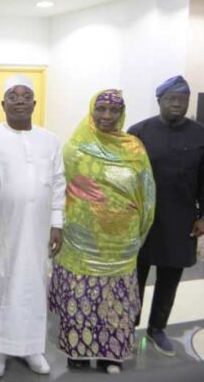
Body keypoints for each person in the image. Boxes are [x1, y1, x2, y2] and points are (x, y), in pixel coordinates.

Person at [49, 89, 155, 375]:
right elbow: (60, 190)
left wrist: (139, 231)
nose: (107, 116)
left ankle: (112, 355)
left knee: (115, 301)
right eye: (101, 109)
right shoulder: (75, 147)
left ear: (122, 114)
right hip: (80, 240)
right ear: (91, 110)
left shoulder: (134, 148)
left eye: (114, 110)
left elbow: (147, 192)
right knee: (81, 297)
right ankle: (79, 352)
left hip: (120, 243)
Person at [0, 75, 65, 377]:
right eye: (12, 96)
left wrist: (57, 222)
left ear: (34, 103)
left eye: (25, 95)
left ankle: (32, 348)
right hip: (1, 229)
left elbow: (58, 183)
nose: (19, 100)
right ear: (3, 104)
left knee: (35, 287)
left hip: (40, 230)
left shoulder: (50, 139)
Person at [128, 75, 204, 356]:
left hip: (182, 220)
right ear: (159, 101)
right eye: (171, 99)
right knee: (135, 279)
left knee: (169, 279)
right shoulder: (138, 132)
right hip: (141, 220)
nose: (177, 104)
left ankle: (157, 328)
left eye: (182, 99)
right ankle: (129, 327)